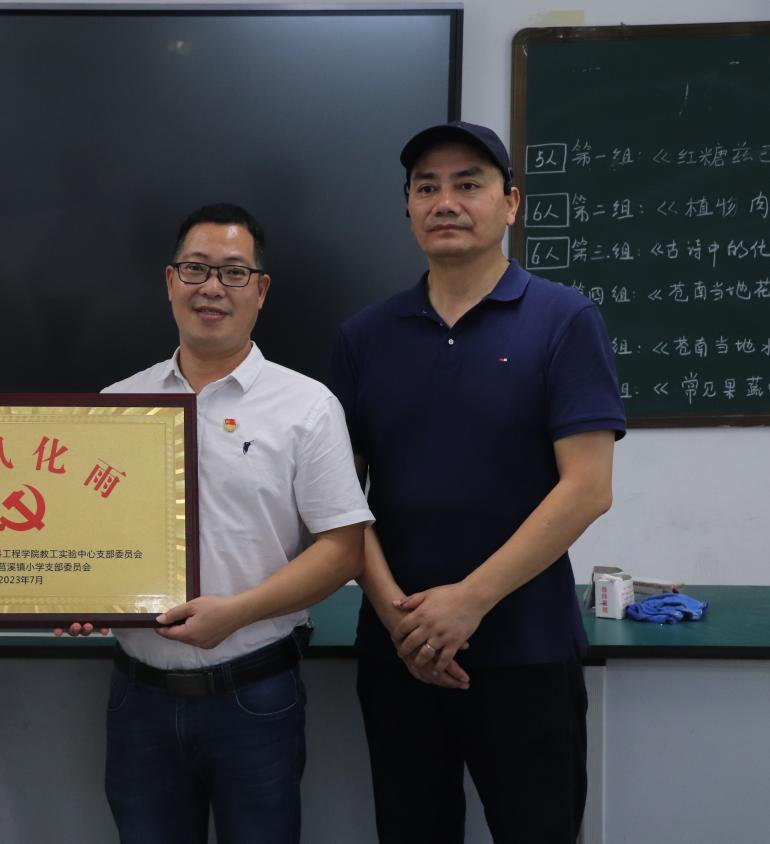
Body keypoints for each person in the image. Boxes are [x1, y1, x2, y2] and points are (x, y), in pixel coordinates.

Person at [328, 121, 626, 843]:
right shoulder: (364, 337)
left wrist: (468, 602)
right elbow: (335, 500)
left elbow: (588, 487)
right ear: (408, 208)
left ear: (510, 202)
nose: (445, 202)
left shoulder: (564, 319)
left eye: (468, 184)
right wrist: (400, 618)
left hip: (527, 649)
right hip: (398, 653)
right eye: (426, 187)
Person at [86, 203, 373, 844]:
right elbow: (88, 540)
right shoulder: (114, 407)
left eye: (234, 272)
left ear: (260, 290)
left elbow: (343, 549)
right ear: (170, 281)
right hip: (138, 698)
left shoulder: (308, 407)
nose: (212, 287)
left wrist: (235, 614)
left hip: (256, 696)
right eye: (195, 269)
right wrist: (78, 596)